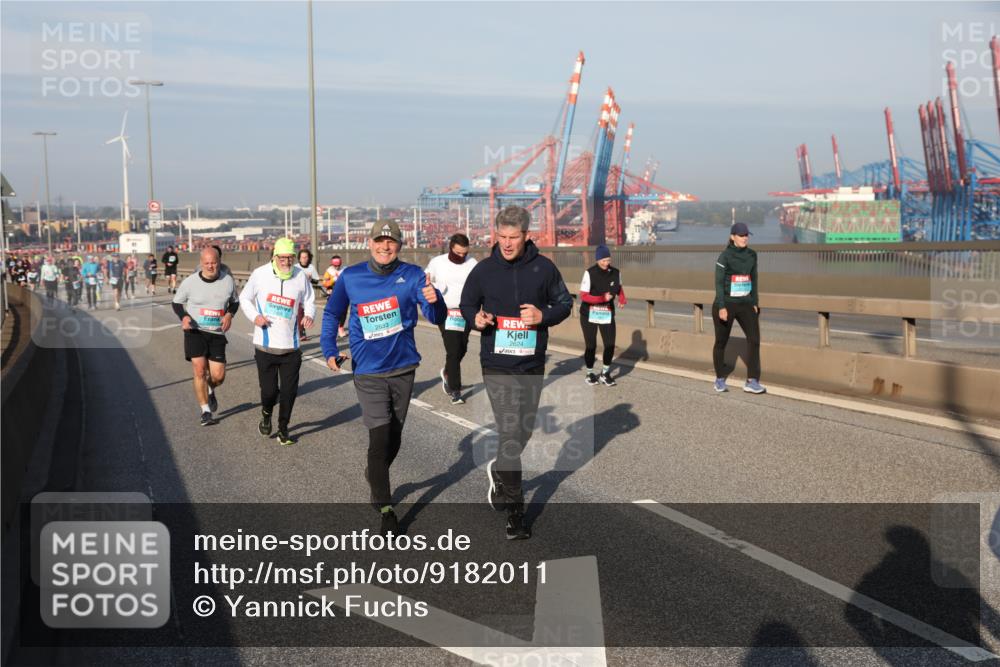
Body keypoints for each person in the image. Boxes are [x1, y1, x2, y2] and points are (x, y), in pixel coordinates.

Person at [320, 220, 444, 536]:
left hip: (403, 367)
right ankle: (386, 508)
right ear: (370, 243)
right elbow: (333, 313)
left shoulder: (413, 275)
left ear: (399, 245)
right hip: (368, 370)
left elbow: (436, 317)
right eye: (379, 240)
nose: (384, 246)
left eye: (391, 241)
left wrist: (435, 299)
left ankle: (375, 474)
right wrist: (329, 348)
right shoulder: (351, 277)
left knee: (395, 436)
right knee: (379, 436)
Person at [459, 205, 572, 540]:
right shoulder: (483, 270)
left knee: (521, 432)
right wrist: (476, 319)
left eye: (514, 237)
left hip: (531, 364)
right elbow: (467, 304)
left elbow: (565, 304)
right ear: (496, 235)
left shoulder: (544, 268)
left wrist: (543, 316)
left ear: (526, 236)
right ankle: (516, 511)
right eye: (502, 237)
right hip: (496, 364)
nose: (507, 243)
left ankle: (498, 470)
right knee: (509, 433)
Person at [239, 238, 317, 446]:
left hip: (291, 347)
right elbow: (244, 298)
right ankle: (266, 413)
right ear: (274, 257)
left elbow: (309, 299)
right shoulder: (260, 274)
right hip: (265, 346)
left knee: (289, 392)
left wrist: (309, 315)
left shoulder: (300, 276)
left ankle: (283, 429)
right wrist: (255, 316)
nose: (286, 262)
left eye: (290, 258)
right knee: (269, 393)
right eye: (282, 258)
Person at [172, 247, 239, 426]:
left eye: (214, 263)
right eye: (207, 263)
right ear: (201, 263)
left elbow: (235, 302)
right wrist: (184, 317)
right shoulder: (190, 282)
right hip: (195, 331)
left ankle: (211, 387)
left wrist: (229, 315)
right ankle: (205, 411)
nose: (210, 266)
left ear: (219, 262)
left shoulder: (227, 280)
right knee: (199, 370)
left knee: (218, 376)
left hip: (216, 333)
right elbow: (176, 303)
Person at [425, 233, 478, 404]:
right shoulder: (437, 262)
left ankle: (448, 372)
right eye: (458, 253)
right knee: (454, 350)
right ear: (451, 248)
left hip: (466, 312)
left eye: (464, 253)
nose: (461, 256)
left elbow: (480, 285)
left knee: (462, 348)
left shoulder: (472, 263)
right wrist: (432, 287)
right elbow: (425, 280)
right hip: (446, 311)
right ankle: (455, 390)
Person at [713, 222, 765, 394]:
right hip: (726, 303)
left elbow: (754, 278)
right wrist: (721, 306)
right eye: (741, 235)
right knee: (721, 342)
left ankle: (752, 381)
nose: (744, 238)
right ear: (732, 237)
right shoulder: (725, 256)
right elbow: (718, 283)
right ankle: (719, 379)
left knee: (754, 339)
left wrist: (755, 302)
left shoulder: (752, 255)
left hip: (746, 303)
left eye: (746, 235)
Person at [578, 244, 627, 386]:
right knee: (591, 346)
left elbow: (619, 288)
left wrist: (622, 299)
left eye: (608, 260)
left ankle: (605, 373)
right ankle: (589, 373)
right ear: (597, 259)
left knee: (610, 344)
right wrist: (602, 298)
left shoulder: (616, 272)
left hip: (606, 313)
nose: (606, 263)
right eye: (603, 260)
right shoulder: (589, 273)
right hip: (589, 314)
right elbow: (583, 296)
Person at [296, 249, 322, 341]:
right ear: (299, 258)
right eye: (302, 257)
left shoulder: (311, 268)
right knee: (299, 312)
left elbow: (316, 281)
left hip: (307, 294)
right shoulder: (296, 267)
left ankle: (301, 329)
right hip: (298, 293)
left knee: (305, 313)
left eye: (306, 257)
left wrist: (310, 278)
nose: (304, 259)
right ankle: (301, 332)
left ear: (309, 258)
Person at [321, 255, 347, 335]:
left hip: (343, 293)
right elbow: (324, 283)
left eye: (338, 265)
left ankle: (341, 327)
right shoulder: (329, 271)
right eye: (335, 265)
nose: (337, 267)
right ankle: (332, 328)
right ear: (332, 264)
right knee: (333, 312)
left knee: (344, 311)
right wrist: (333, 280)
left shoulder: (344, 270)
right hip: (332, 293)